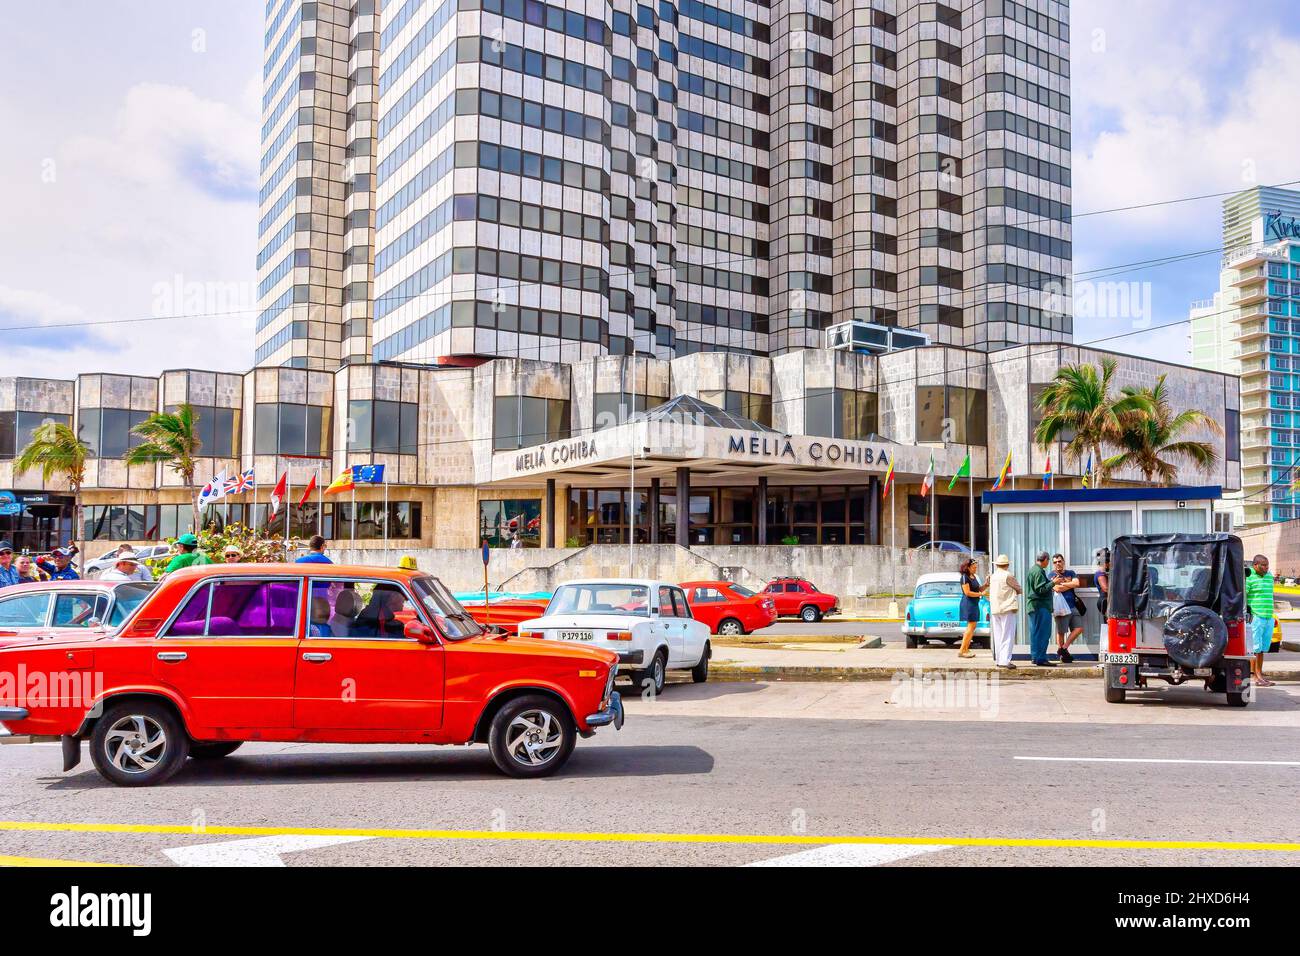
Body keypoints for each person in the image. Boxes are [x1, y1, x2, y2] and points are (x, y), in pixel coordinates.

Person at [1246, 553, 1275, 688]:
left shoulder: (1269, 576)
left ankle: (1260, 675)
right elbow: (1244, 596)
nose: (1266, 568)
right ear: (1255, 565)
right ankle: (1255, 677)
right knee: (1254, 649)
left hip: (1268, 617)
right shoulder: (1249, 576)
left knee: (1262, 649)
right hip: (1256, 616)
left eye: (1267, 565)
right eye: (1263, 565)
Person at [988, 554, 1021, 669]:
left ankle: (999, 659)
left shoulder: (992, 576)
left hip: (995, 608)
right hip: (1007, 607)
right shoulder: (1008, 575)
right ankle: (1005, 660)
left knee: (998, 635)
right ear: (1007, 565)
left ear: (997, 565)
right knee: (1007, 635)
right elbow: (1019, 589)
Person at [1049, 553, 1084, 663]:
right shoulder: (1051, 575)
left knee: (1079, 628)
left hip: (1073, 606)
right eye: (1055, 562)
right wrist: (1069, 583)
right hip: (1061, 608)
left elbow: (1077, 583)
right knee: (1061, 632)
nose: (1057, 564)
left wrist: (1064, 583)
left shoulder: (1071, 572)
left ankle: (1063, 649)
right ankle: (1063, 655)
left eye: (1059, 561)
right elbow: (1057, 588)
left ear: (1063, 562)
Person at [1025, 551, 1055, 667]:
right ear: (1045, 559)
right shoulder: (1038, 571)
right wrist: (1053, 583)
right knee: (1043, 633)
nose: (1049, 563)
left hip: (1033, 606)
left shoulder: (1033, 570)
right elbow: (1040, 589)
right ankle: (1041, 658)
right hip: (1040, 606)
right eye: (1049, 561)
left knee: (1035, 633)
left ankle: (1035, 657)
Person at [956, 556, 987, 659]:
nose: (975, 568)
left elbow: (979, 589)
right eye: (973, 567)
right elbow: (967, 592)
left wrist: (987, 584)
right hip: (968, 604)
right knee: (970, 626)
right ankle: (962, 650)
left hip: (974, 603)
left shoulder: (974, 577)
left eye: (976, 567)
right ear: (968, 567)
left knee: (972, 627)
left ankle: (966, 648)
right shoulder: (965, 577)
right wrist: (980, 594)